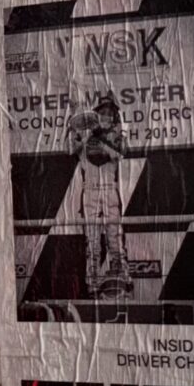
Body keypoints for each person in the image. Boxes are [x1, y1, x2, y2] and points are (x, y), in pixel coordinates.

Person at [63, 91, 143, 297]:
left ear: (114, 116)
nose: (106, 115)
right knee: (92, 242)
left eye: (109, 112)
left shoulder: (115, 136)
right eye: (102, 112)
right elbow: (68, 149)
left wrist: (103, 140)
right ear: (96, 114)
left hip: (109, 191)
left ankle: (124, 279)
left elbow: (121, 153)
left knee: (115, 239)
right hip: (89, 192)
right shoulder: (85, 135)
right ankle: (92, 284)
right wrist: (78, 129)